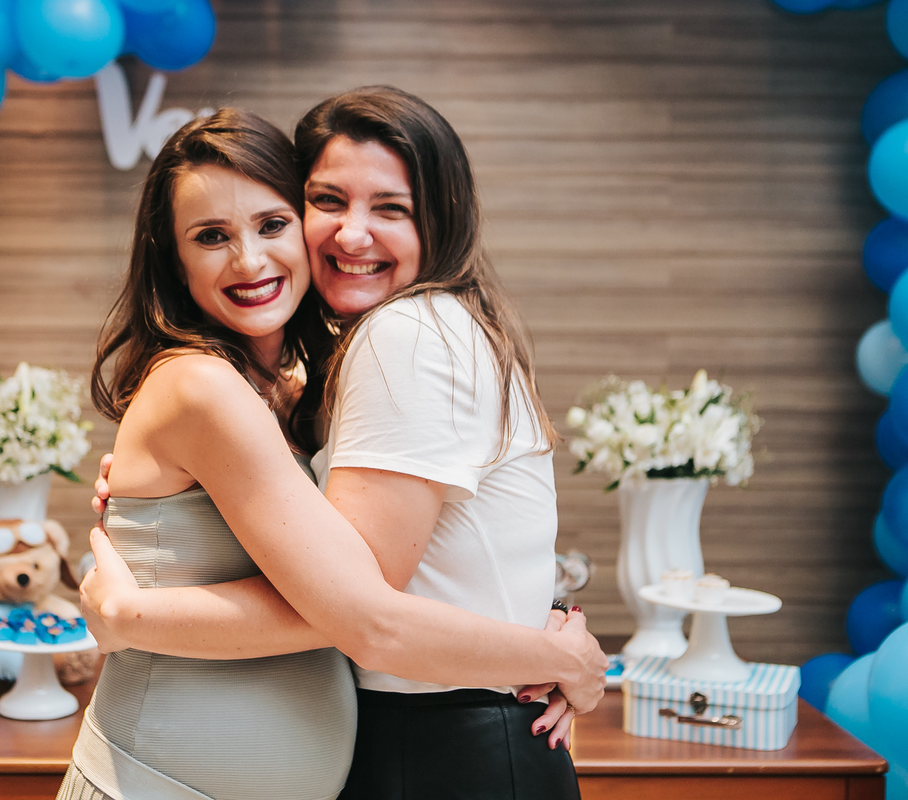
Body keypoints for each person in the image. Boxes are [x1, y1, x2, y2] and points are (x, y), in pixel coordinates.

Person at [76, 94, 606, 800]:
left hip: (442, 751)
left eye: (272, 224)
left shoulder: (334, 372)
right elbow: (361, 612)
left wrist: (548, 638)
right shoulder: (211, 385)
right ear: (173, 262)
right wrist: (551, 653)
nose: (249, 257)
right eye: (329, 200)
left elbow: (391, 586)